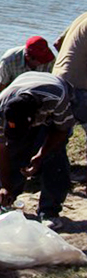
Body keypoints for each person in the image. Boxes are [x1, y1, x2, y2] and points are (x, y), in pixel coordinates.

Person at [0, 71, 75, 230]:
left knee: (55, 158)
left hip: (55, 109)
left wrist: (40, 155)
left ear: (35, 118)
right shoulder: (1, 110)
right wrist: (5, 185)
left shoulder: (56, 99)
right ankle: (5, 201)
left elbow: (61, 130)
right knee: (15, 151)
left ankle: (49, 212)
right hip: (26, 97)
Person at [52, 12, 87, 170]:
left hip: (57, 83)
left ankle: (53, 179)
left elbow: (58, 43)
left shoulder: (83, 16)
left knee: (59, 135)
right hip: (79, 89)